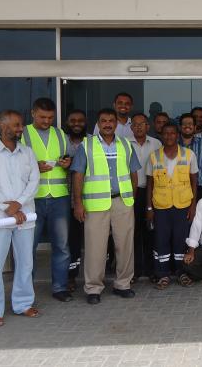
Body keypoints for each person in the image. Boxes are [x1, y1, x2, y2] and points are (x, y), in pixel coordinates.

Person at [72, 108, 141, 305]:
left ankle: (123, 284)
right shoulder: (87, 145)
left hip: (122, 202)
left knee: (125, 245)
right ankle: (93, 288)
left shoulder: (126, 144)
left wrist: (131, 198)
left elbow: (133, 173)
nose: (108, 124)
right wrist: (78, 203)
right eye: (104, 121)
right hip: (95, 204)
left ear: (117, 124)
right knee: (95, 247)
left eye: (111, 121)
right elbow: (77, 174)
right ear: (98, 124)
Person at [0, 110, 40, 326]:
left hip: (25, 217)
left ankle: (23, 304)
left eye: (21, 125)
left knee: (26, 263)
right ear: (2, 126)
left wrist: (19, 204)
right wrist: (9, 207)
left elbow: (34, 181)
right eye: (15, 125)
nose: (20, 129)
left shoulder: (28, 153)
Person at [19, 98, 72, 303]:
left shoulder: (60, 134)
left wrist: (67, 162)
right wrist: (34, 167)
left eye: (50, 117)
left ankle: (59, 287)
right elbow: (13, 165)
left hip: (59, 197)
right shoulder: (23, 134)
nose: (46, 121)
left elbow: (70, 158)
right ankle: (25, 290)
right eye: (42, 117)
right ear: (33, 113)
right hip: (32, 199)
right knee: (28, 247)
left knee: (62, 245)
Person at [146, 123, 198, 289]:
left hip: (182, 205)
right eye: (166, 133)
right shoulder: (154, 156)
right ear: (161, 135)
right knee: (161, 240)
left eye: (172, 133)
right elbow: (150, 184)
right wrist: (149, 208)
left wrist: (193, 205)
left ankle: (181, 273)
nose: (169, 136)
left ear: (178, 135)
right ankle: (163, 274)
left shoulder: (189, 155)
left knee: (180, 240)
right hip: (161, 206)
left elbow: (194, 182)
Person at [129, 113, 162, 282]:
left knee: (151, 232)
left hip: (153, 193)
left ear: (148, 126)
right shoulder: (125, 144)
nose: (139, 127)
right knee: (133, 233)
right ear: (131, 127)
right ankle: (134, 271)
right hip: (131, 193)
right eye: (135, 124)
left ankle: (151, 270)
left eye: (142, 124)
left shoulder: (157, 144)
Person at [64, 110, 87, 291]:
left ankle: (95, 276)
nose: (76, 123)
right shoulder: (60, 141)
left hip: (92, 198)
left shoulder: (93, 142)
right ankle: (71, 276)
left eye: (80, 120)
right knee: (72, 241)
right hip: (66, 199)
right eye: (73, 120)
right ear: (67, 122)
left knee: (96, 241)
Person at [178, 113, 202, 201]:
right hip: (178, 188)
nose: (187, 126)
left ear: (195, 127)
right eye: (184, 124)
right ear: (180, 127)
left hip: (200, 187)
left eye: (190, 124)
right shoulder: (173, 143)